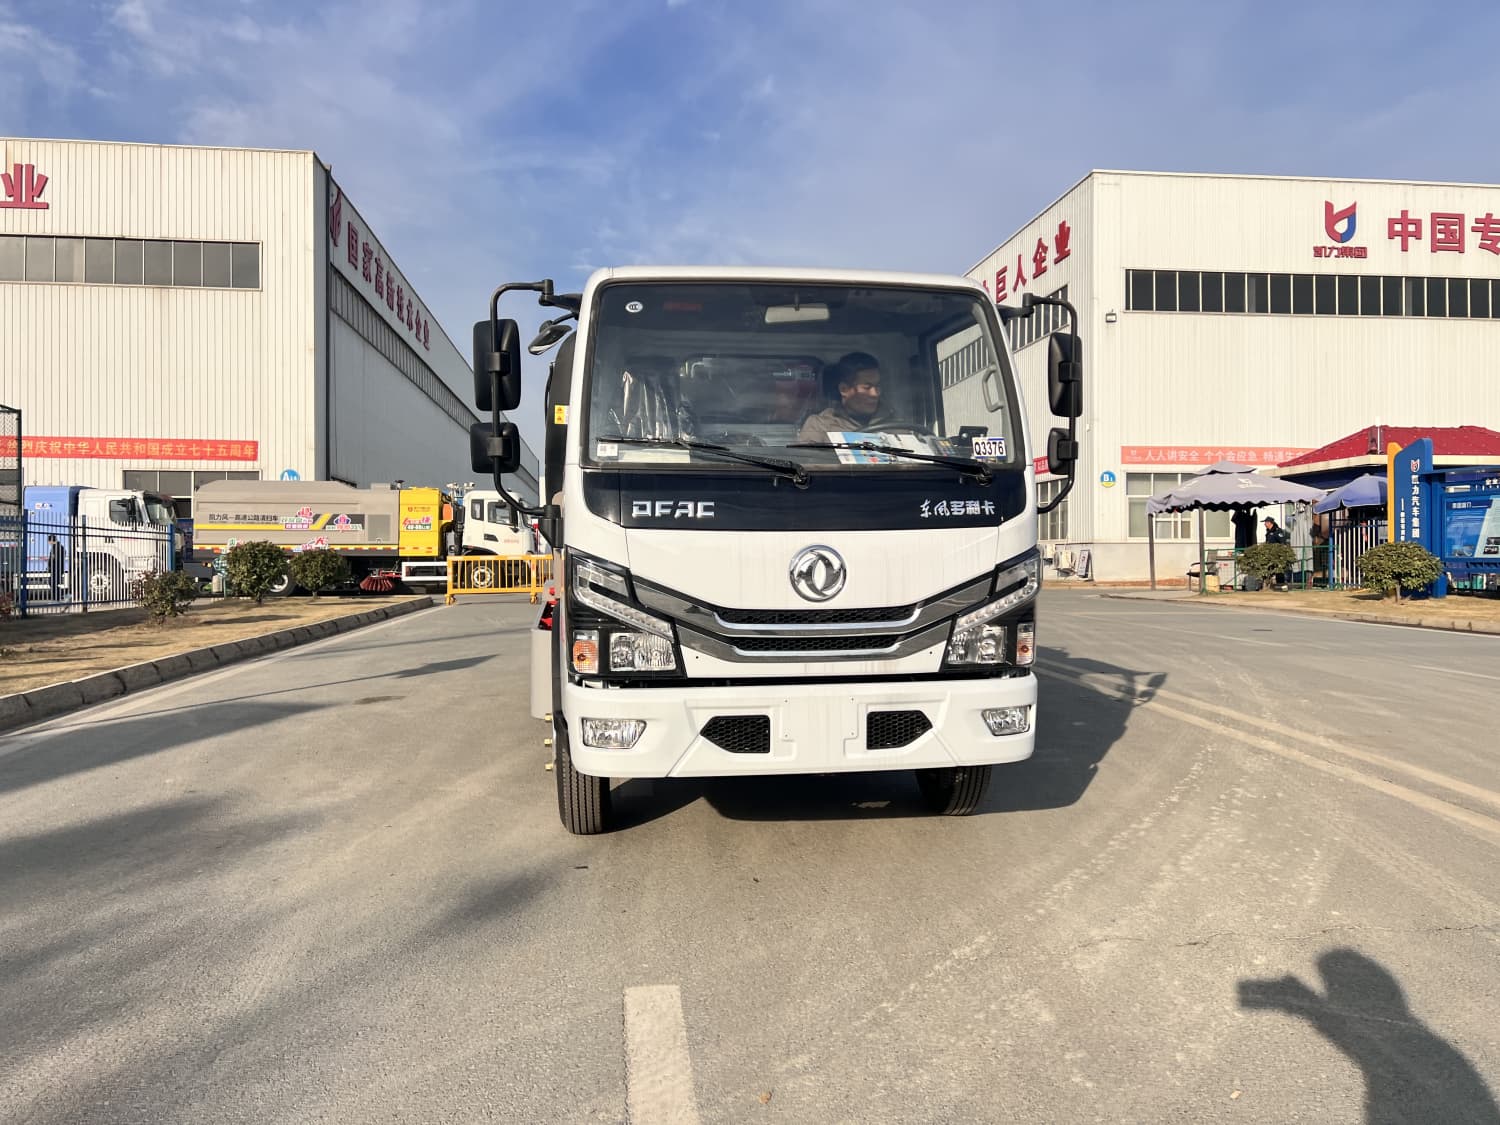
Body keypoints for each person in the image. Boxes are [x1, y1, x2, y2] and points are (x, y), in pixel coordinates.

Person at [795, 352, 897, 443]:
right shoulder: (820, 426)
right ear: (844, 389)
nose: (875, 394)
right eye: (867, 387)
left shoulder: (894, 424)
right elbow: (807, 457)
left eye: (877, 386)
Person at [47, 533, 65, 600]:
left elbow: (53, 559)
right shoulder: (58, 547)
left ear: (51, 540)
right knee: (53, 583)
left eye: (49, 541)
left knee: (52, 583)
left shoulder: (56, 547)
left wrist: (50, 566)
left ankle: (58, 596)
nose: (48, 543)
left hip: (56, 569)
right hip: (57, 568)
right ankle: (58, 596)